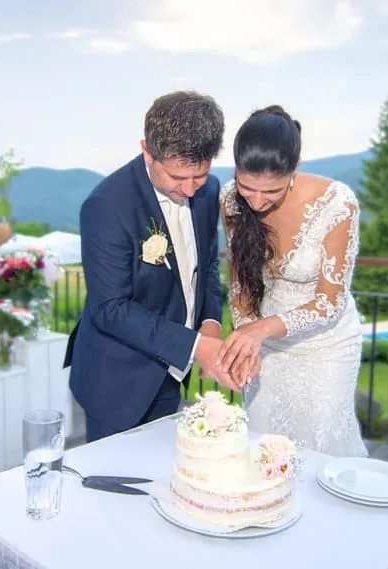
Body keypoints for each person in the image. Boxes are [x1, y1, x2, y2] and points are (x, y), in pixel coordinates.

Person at [64, 91, 253, 443]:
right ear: (147, 151)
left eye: (200, 176)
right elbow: (110, 308)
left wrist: (210, 326)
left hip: (170, 372)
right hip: (115, 379)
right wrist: (196, 347)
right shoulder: (106, 206)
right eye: (178, 177)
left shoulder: (208, 191)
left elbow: (206, 267)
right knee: (113, 474)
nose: (189, 189)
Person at [217, 105, 368, 457]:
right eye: (247, 187)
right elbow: (240, 286)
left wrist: (259, 330)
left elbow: (329, 303)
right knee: (264, 446)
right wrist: (247, 337)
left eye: (271, 191)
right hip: (266, 346)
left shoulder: (337, 205)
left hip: (326, 346)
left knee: (322, 449)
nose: (256, 201)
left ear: (294, 167)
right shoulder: (230, 200)